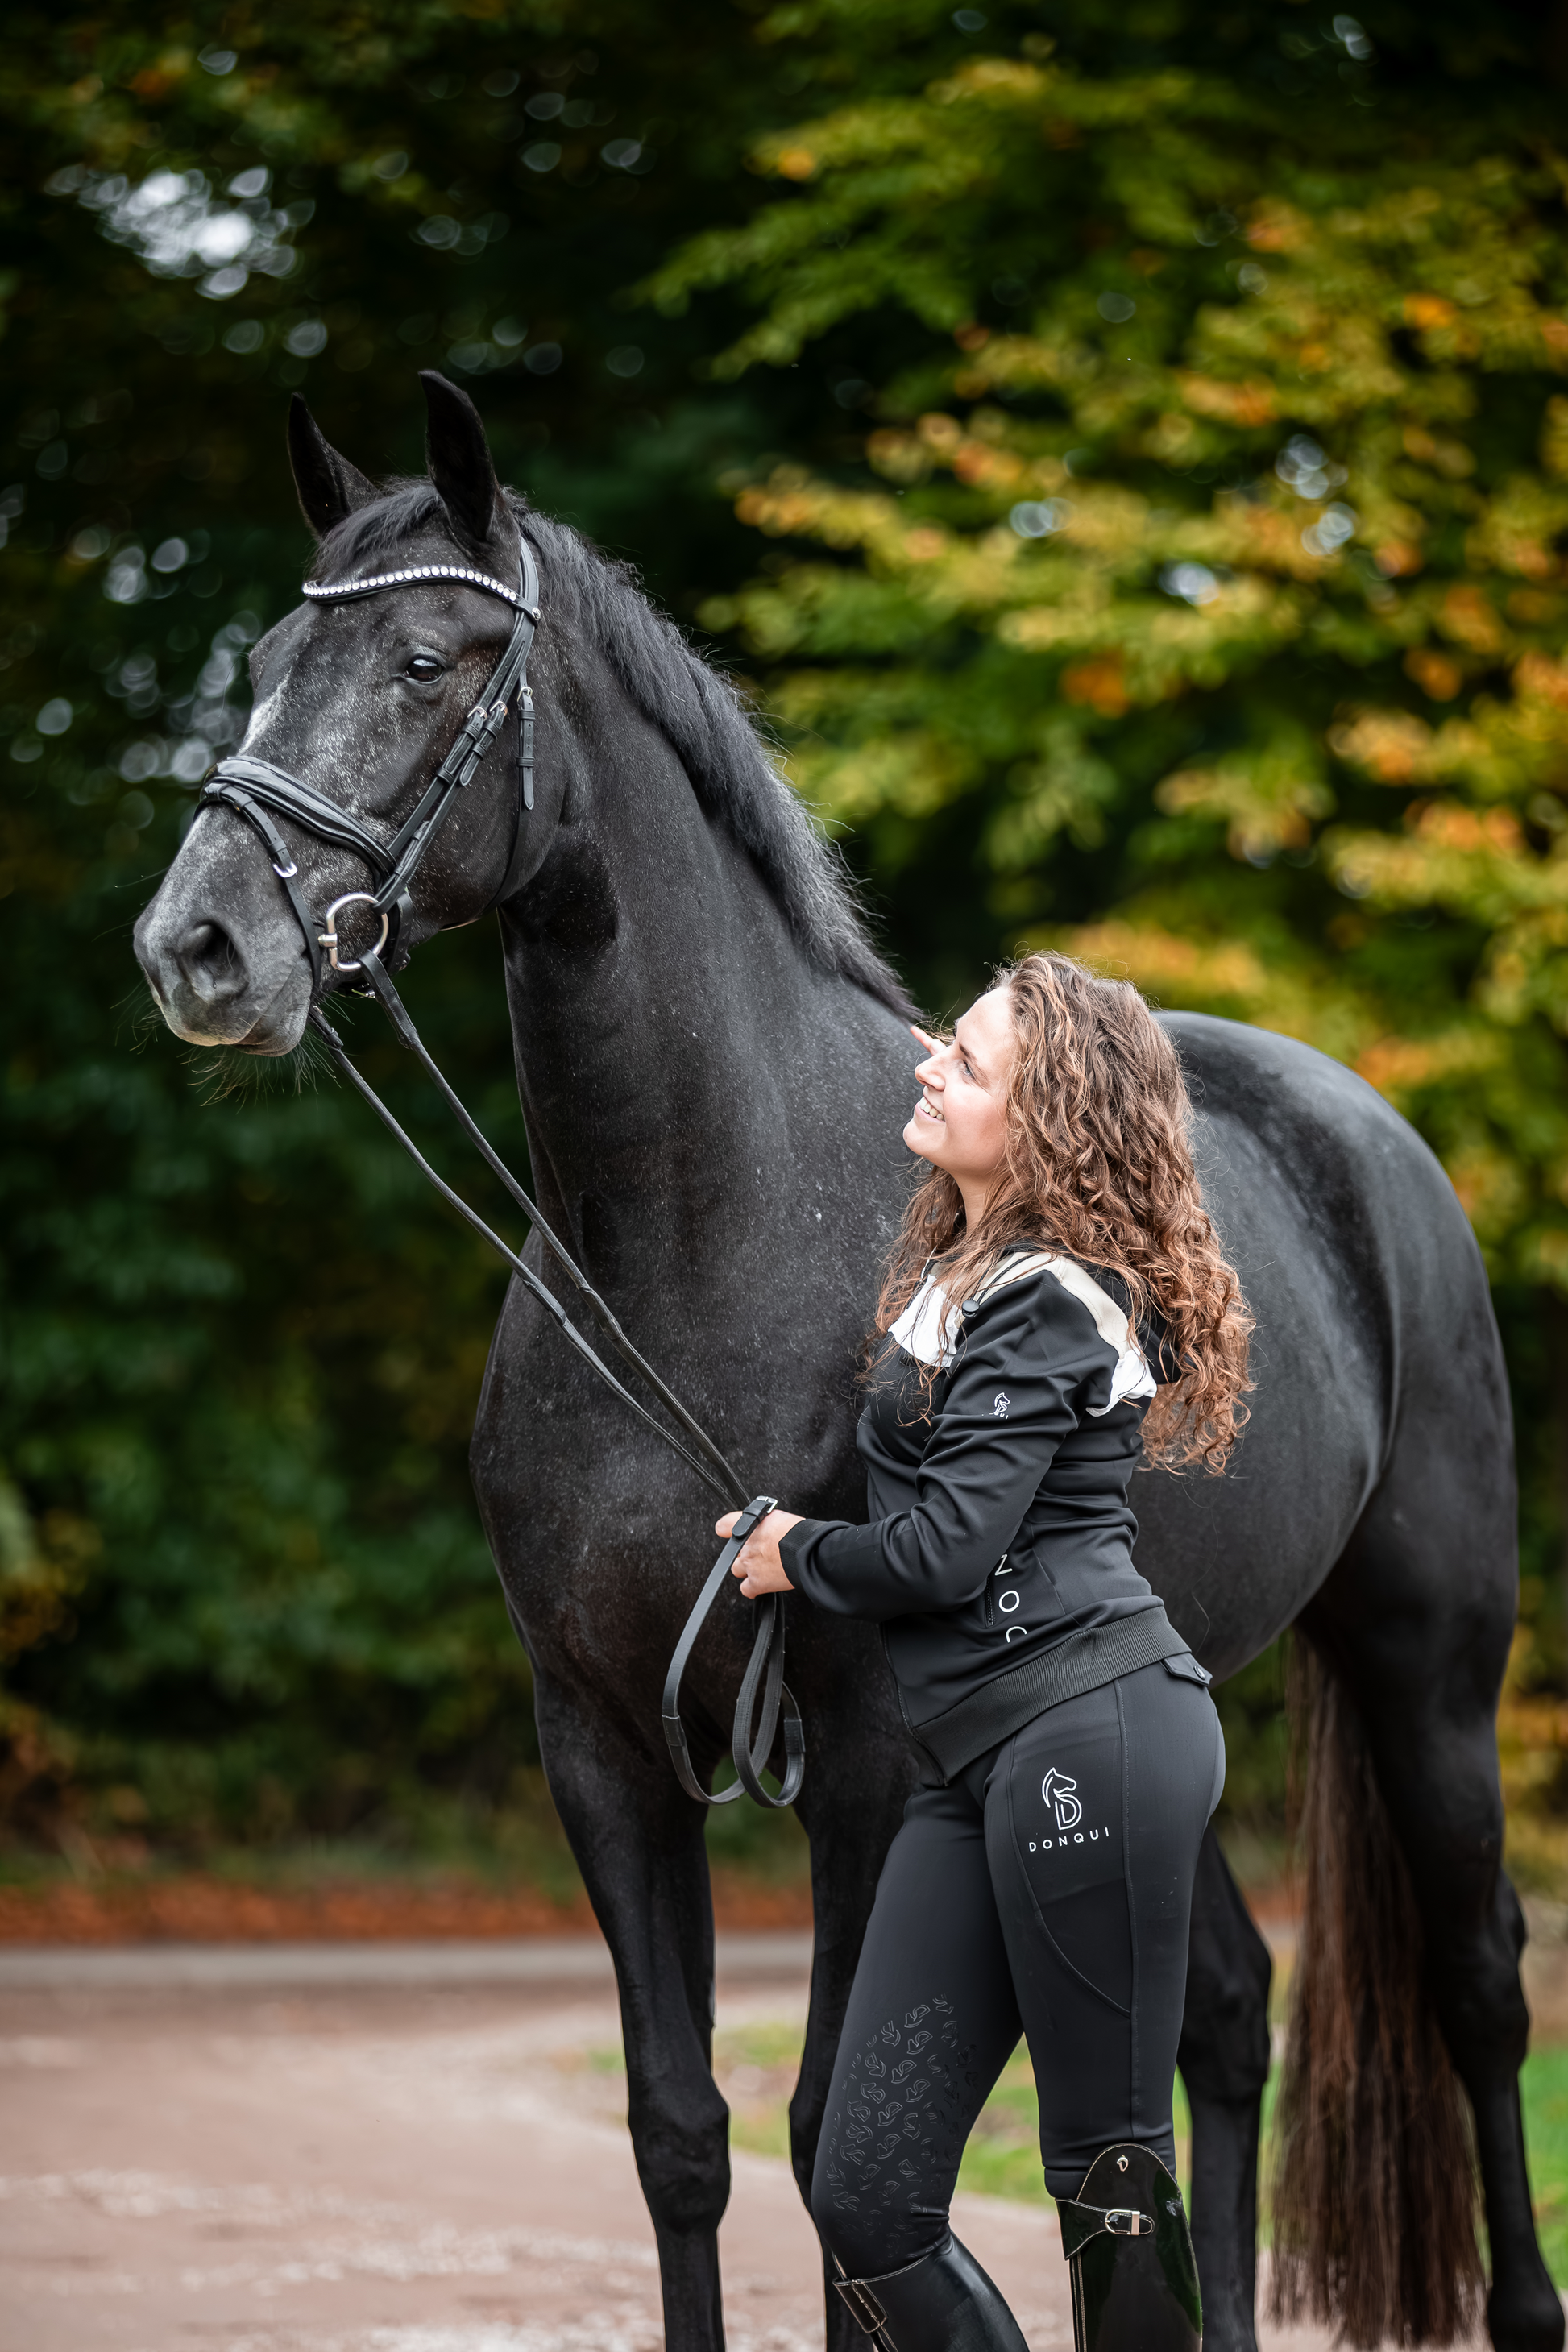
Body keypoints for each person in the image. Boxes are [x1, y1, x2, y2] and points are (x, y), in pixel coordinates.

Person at [717, 952, 1251, 2352]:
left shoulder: (1051, 1296)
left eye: (963, 1060)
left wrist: (795, 1555)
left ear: (1043, 1119)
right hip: (978, 1761)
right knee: (865, 2185)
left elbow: (944, 1550)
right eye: (938, 1045)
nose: (925, 1068)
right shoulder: (974, 1273)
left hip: (1094, 1735)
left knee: (1107, 2173)